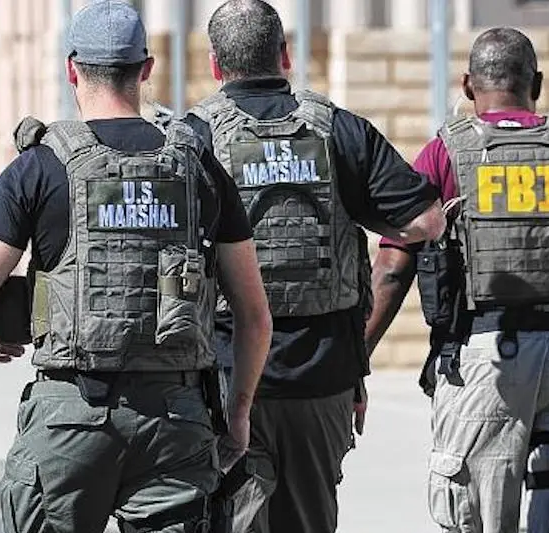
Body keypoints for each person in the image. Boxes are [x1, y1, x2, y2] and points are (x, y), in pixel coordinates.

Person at [0, 2, 272, 532]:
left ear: (71, 68)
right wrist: (237, 412)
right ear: (146, 70)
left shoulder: (39, 167)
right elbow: (254, 315)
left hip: (70, 418)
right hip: (177, 417)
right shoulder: (198, 166)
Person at [365, 28, 549, 533]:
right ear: (536, 83)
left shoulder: (444, 157)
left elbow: (393, 269)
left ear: (467, 85)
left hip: (483, 362)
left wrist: (356, 357)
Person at [175, 1, 445, 532]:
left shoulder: (193, 139)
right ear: (284, 55)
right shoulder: (339, 130)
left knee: (231, 516)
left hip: (225, 374)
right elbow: (426, 221)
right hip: (321, 378)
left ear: (214, 64)